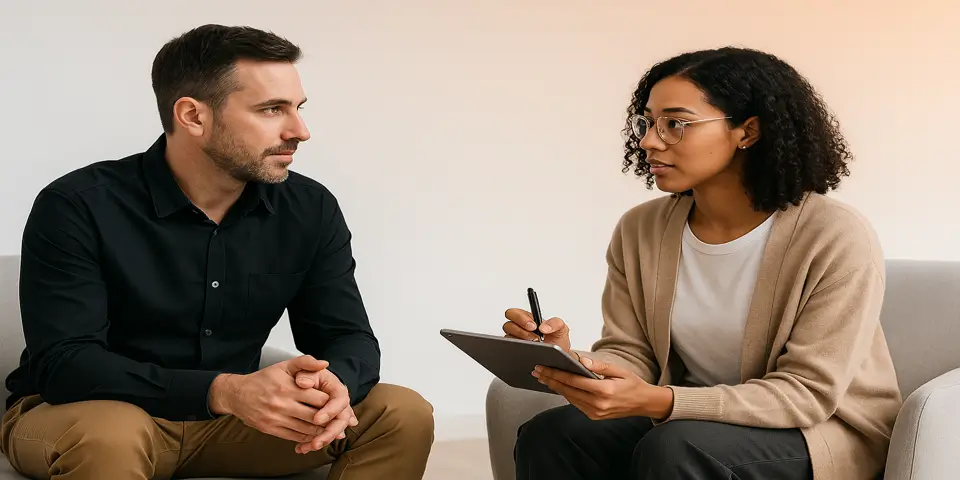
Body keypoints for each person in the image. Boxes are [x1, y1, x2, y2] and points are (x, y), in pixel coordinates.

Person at [1, 24, 434, 480]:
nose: (300, 131)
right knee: (111, 434)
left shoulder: (310, 208)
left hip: (235, 423)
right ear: (193, 116)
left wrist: (335, 385)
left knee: (400, 412)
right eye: (272, 109)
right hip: (91, 414)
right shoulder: (78, 204)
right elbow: (66, 365)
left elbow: (347, 336)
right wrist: (223, 391)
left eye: (298, 108)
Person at [503, 47, 902, 480]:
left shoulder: (833, 235)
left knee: (676, 447)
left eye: (675, 124)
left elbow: (807, 394)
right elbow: (632, 352)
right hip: (688, 420)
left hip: (818, 431)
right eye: (648, 122)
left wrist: (662, 402)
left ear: (747, 132)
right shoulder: (641, 229)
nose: (649, 141)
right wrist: (571, 360)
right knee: (555, 434)